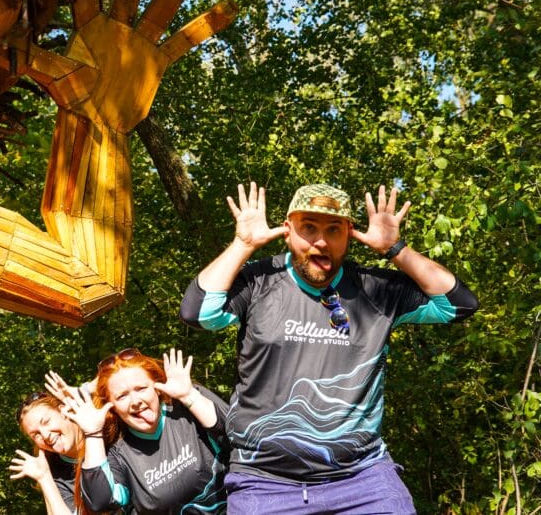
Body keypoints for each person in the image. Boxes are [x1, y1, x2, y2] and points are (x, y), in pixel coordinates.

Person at [180, 182, 480, 514]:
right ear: (288, 230)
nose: (321, 241)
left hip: (362, 481)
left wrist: (396, 249)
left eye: (334, 229)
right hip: (264, 483)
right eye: (309, 228)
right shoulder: (259, 282)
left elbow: (458, 304)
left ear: (349, 234)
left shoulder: (375, 290)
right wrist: (243, 244)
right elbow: (198, 312)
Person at [61, 348, 229, 514]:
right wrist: (93, 434)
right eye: (122, 396)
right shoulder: (118, 455)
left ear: (156, 387)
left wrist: (189, 396)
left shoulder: (188, 409)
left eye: (141, 388)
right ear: (112, 407)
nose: (135, 401)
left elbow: (240, 438)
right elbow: (100, 502)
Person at [10, 388, 116, 515]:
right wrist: (44, 478)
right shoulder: (55, 473)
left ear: (63, 411)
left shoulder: (112, 432)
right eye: (35, 434)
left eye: (46, 422)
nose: (45, 435)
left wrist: (85, 389)